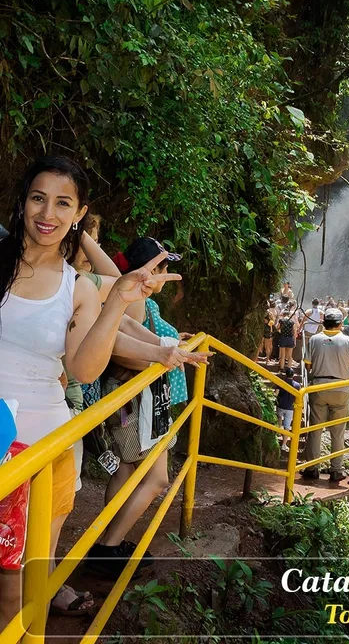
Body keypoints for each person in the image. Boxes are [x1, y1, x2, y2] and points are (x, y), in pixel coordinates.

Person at [0, 156, 183, 624]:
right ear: (22, 202)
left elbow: (83, 367)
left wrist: (118, 299)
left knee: (18, 585)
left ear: (79, 214)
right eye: (38, 198)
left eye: (64, 203)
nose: (48, 213)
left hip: (44, 446)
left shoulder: (77, 287)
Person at [85, 237, 208, 578]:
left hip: (133, 398)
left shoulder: (133, 298)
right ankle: (108, 547)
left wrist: (170, 344)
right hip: (136, 399)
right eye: (162, 267)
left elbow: (134, 335)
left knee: (126, 470)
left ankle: (108, 542)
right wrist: (162, 356)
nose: (164, 274)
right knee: (156, 479)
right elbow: (119, 350)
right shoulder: (133, 300)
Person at [301, 308, 349, 483]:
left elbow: (307, 366)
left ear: (324, 323)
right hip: (341, 388)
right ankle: (336, 470)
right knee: (338, 432)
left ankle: (312, 468)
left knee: (315, 430)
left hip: (319, 388)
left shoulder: (314, 339)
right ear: (340, 324)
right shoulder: (348, 341)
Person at [276, 367, 301, 453]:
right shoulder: (297, 385)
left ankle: (277, 435)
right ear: (293, 375)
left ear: (285, 374)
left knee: (279, 419)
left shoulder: (281, 382)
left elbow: (276, 393)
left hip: (280, 405)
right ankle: (284, 445)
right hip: (290, 407)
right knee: (287, 426)